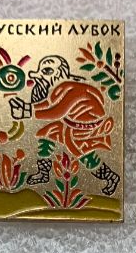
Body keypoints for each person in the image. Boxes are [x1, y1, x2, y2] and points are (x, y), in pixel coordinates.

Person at [8, 55, 120, 196]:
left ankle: (111, 177)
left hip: (84, 129)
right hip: (69, 124)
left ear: (60, 74)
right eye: (40, 71)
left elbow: (56, 111)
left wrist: (27, 111)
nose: (40, 75)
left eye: (47, 71)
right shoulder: (58, 89)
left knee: (85, 156)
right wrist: (26, 107)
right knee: (47, 133)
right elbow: (48, 104)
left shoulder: (72, 89)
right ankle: (43, 173)